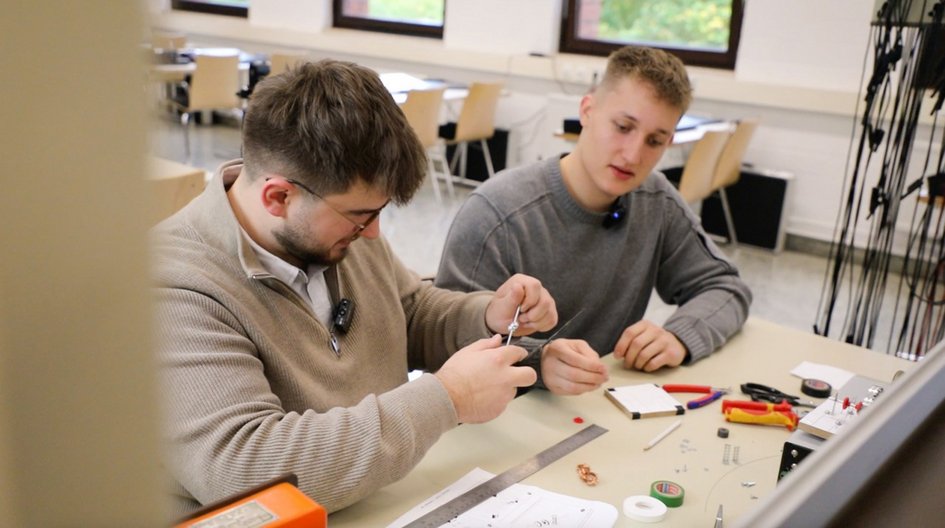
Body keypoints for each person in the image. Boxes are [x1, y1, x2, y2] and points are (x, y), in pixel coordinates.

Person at [151, 59, 559, 516]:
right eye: (361, 216)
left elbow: (407, 312)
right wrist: (447, 399)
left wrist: (486, 315)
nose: (372, 234)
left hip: (379, 499)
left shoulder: (332, 229)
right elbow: (248, 471)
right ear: (279, 197)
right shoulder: (173, 286)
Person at [435, 45, 752, 395]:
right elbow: (447, 340)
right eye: (622, 126)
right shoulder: (496, 213)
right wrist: (539, 362)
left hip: (600, 407)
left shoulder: (655, 199)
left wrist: (680, 335)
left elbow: (726, 287)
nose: (633, 155)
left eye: (654, 140)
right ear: (587, 110)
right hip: (503, 418)